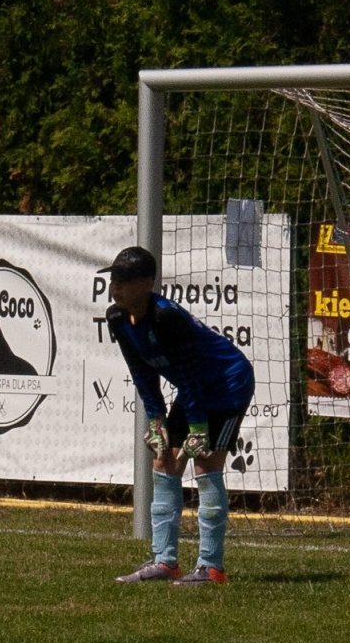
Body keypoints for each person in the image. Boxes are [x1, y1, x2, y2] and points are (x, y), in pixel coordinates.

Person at [106, 246, 254, 586]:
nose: (116, 286)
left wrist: (199, 428)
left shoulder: (166, 317)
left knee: (204, 464)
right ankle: (165, 562)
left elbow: (189, 372)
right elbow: (142, 374)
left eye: (124, 280)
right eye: (114, 278)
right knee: (165, 462)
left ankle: (211, 568)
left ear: (147, 283)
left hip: (227, 383)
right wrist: (157, 422)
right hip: (196, 388)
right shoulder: (118, 318)